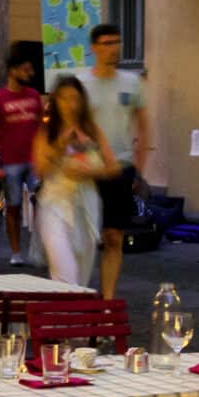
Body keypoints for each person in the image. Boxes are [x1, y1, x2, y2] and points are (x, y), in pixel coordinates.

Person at [73, 24, 150, 300]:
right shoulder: (81, 83)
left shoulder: (132, 82)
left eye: (116, 42)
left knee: (114, 236)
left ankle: (107, 298)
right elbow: (71, 124)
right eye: (106, 43)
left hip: (121, 168)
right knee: (85, 238)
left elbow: (142, 126)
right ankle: (78, 292)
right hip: (89, 169)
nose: (113, 48)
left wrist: (139, 169)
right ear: (94, 47)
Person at [32, 77, 117, 287]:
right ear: (56, 101)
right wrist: (60, 145)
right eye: (64, 99)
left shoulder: (92, 131)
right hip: (55, 207)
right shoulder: (46, 133)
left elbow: (113, 167)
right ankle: (65, 316)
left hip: (86, 209)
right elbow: (39, 169)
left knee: (81, 278)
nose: (70, 104)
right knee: (65, 275)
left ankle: (68, 318)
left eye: (75, 99)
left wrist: (91, 171)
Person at [0, 47, 44, 266]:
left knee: (42, 202)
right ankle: (16, 251)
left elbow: (40, 128)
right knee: (13, 206)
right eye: (25, 69)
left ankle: (38, 246)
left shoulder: (34, 95)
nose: (30, 73)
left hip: (34, 159)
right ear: (13, 71)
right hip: (10, 160)